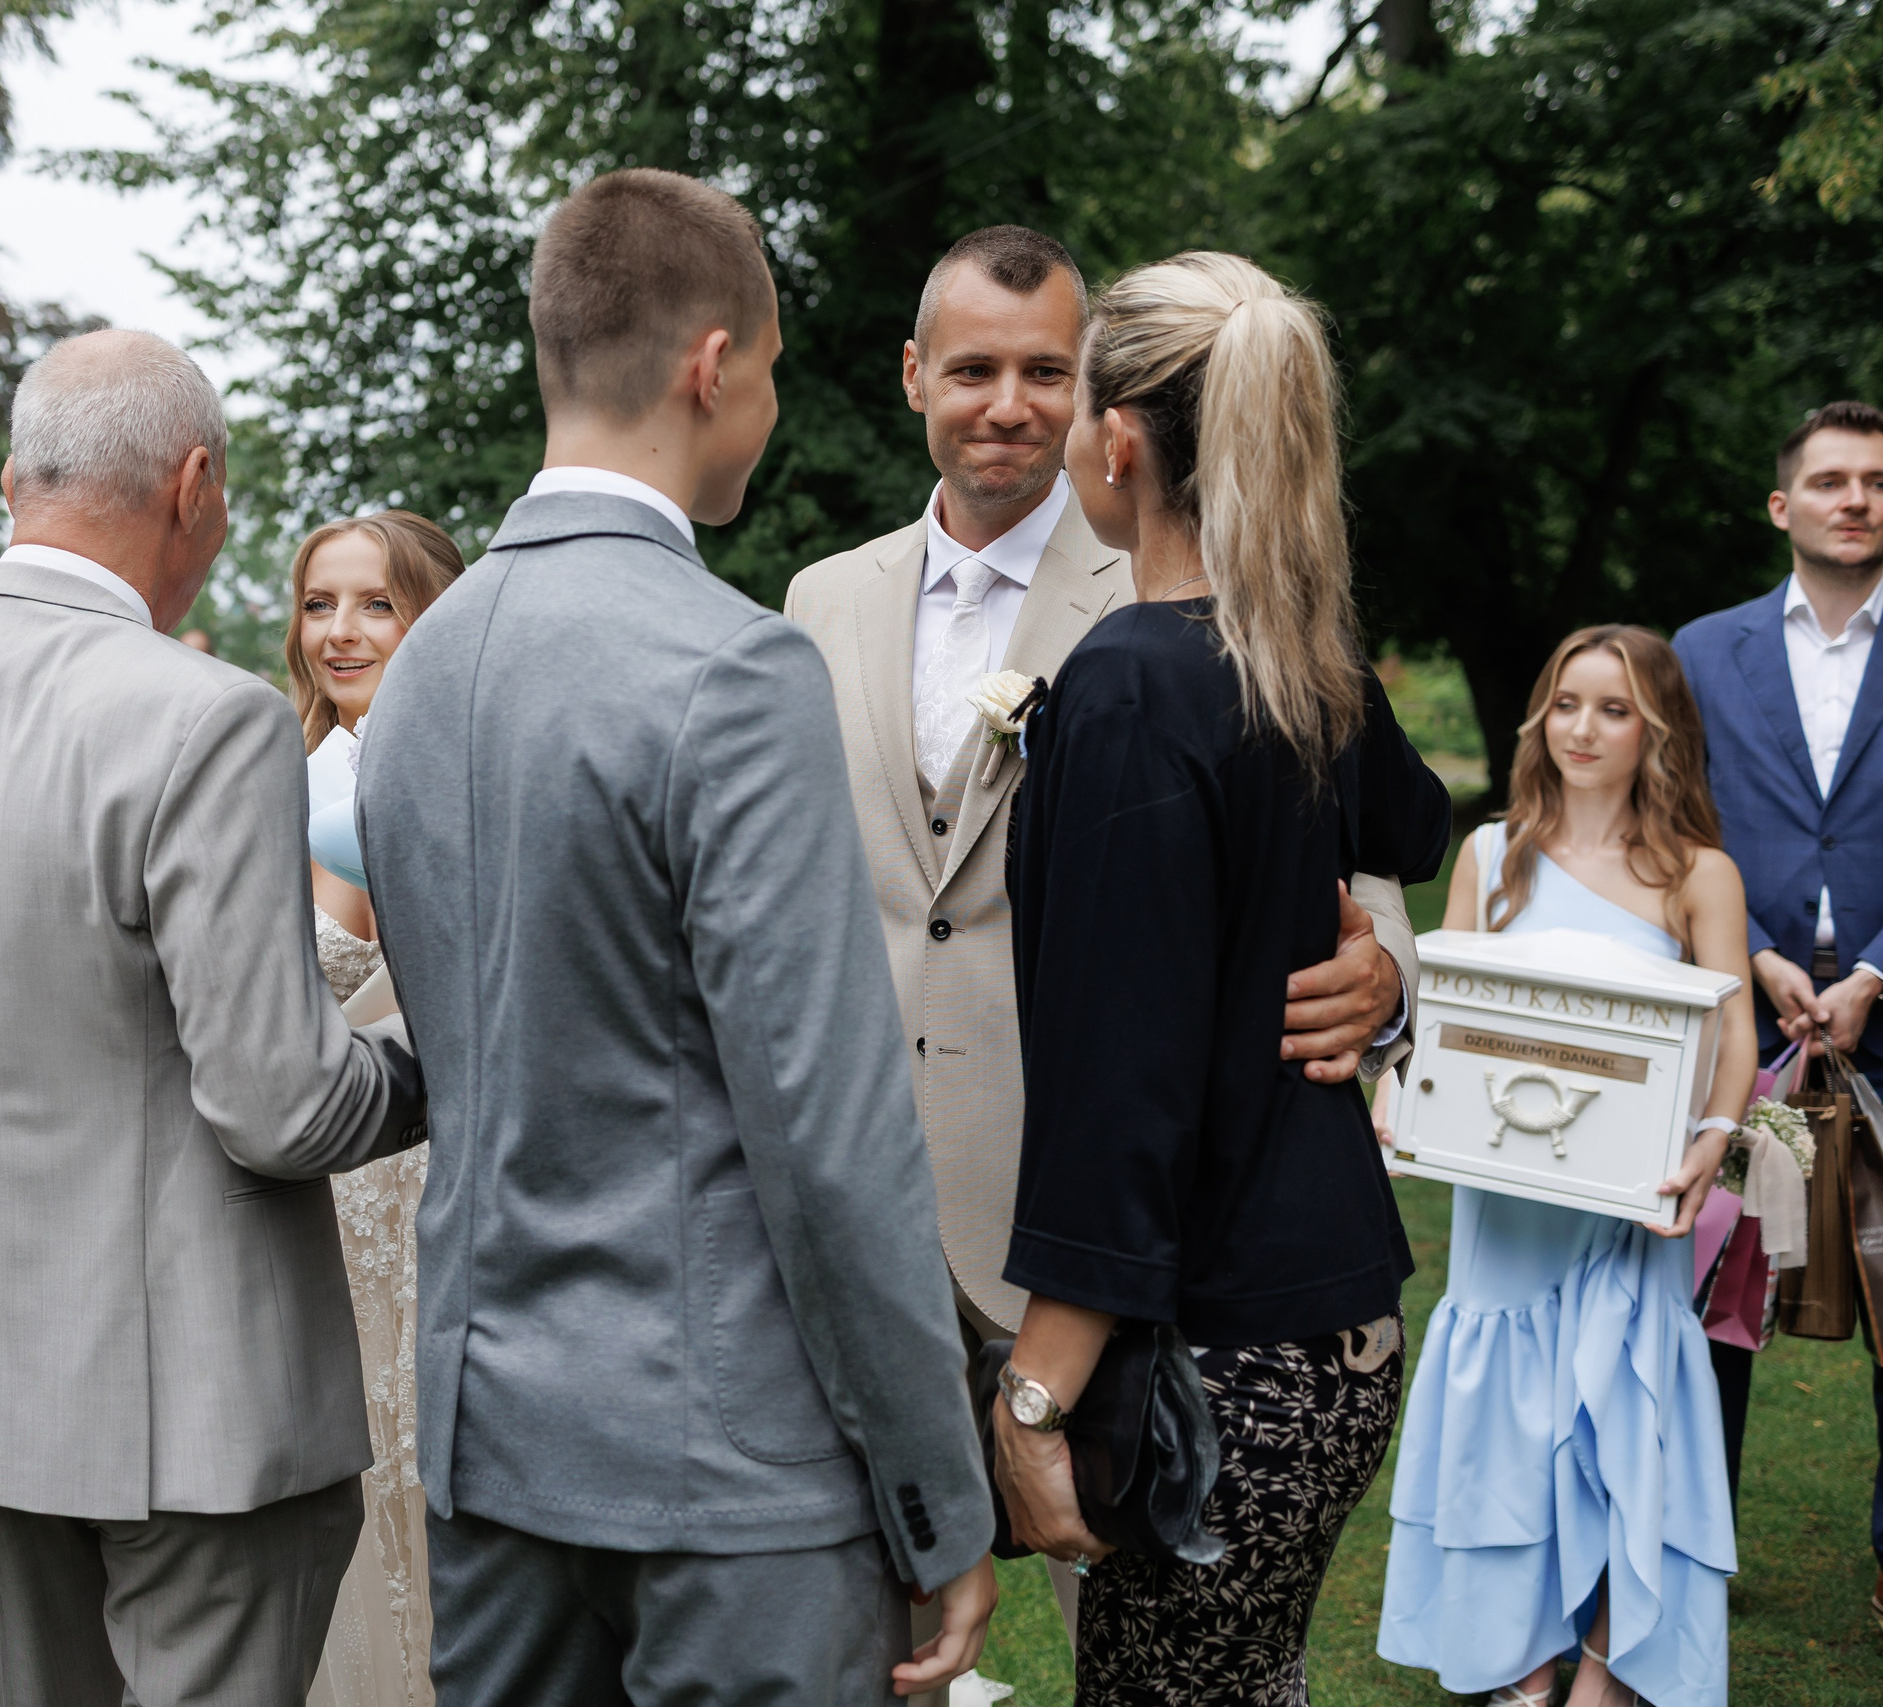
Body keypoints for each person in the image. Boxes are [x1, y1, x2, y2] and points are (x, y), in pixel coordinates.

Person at [360, 168, 998, 1706]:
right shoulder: (733, 667)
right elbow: (830, 1132)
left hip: (488, 1437)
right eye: (772, 369)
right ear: (714, 362)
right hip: (726, 1471)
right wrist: (938, 1485)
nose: (768, 404)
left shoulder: (423, 666)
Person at [783, 227, 1424, 1663]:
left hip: (1118, 1246)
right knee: (872, 1644)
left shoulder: (1191, 611)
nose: (1008, 402)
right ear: (911, 378)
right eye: (972, 369)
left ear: (1103, 412)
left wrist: (1386, 972)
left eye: (1045, 372)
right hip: (869, 1205)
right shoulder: (821, 599)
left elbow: (1373, 838)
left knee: (1138, 1641)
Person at [0, 328, 428, 1707]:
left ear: (17, 479)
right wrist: (443, 1056)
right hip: (195, 1388)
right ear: (194, 485)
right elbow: (281, 1102)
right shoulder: (207, 719)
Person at [987, 253, 1450, 1705]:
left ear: (1118, 439)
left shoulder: (1133, 677)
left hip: (1222, 1355)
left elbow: (1122, 1077)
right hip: (1339, 1329)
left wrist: (1034, 1388)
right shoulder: (1289, 660)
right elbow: (1411, 821)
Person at [1377, 625, 1746, 1706]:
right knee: (1507, 1415)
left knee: (1620, 1416)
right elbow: (1447, 1009)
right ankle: (1520, 1648)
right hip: (1504, 1203)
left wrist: (1709, 1148)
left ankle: (1607, 1657)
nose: (1584, 729)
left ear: (1656, 731)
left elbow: (1728, 1039)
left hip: (1629, 1203)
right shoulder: (1491, 855)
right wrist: (1399, 1087)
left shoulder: (1696, 874)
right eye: (1568, 703)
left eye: (1616, 709)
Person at [1673, 398, 1883, 1637]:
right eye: (1831, 481)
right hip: (1737, 1022)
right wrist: (1746, 953)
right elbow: (1672, 821)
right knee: (1714, 1301)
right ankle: (1688, 1552)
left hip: (1881, 1008)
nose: (1855, 499)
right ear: (1782, 505)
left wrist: (1873, 973)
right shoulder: (1703, 651)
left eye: (1874, 482)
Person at [285, 508, 467, 1707]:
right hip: (308, 1193)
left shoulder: (453, 769)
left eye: (375, 604)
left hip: (429, 1180)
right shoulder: (274, 775)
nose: (340, 633)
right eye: (317, 604)